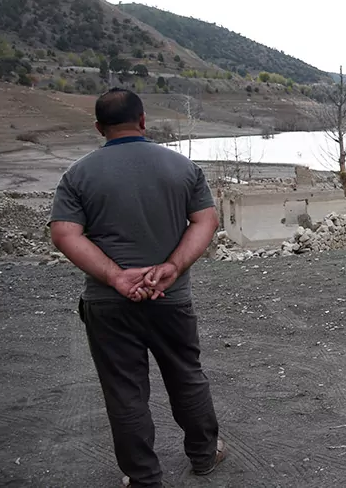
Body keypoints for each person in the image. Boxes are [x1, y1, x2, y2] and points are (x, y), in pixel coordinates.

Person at [49, 88, 226, 487]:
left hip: (108, 304)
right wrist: (171, 267)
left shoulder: (77, 174)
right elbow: (206, 222)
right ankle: (203, 455)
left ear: (99, 128)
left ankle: (144, 477)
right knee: (186, 375)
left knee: (124, 391)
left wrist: (115, 276)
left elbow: (64, 233)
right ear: (143, 121)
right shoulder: (182, 168)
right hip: (171, 298)